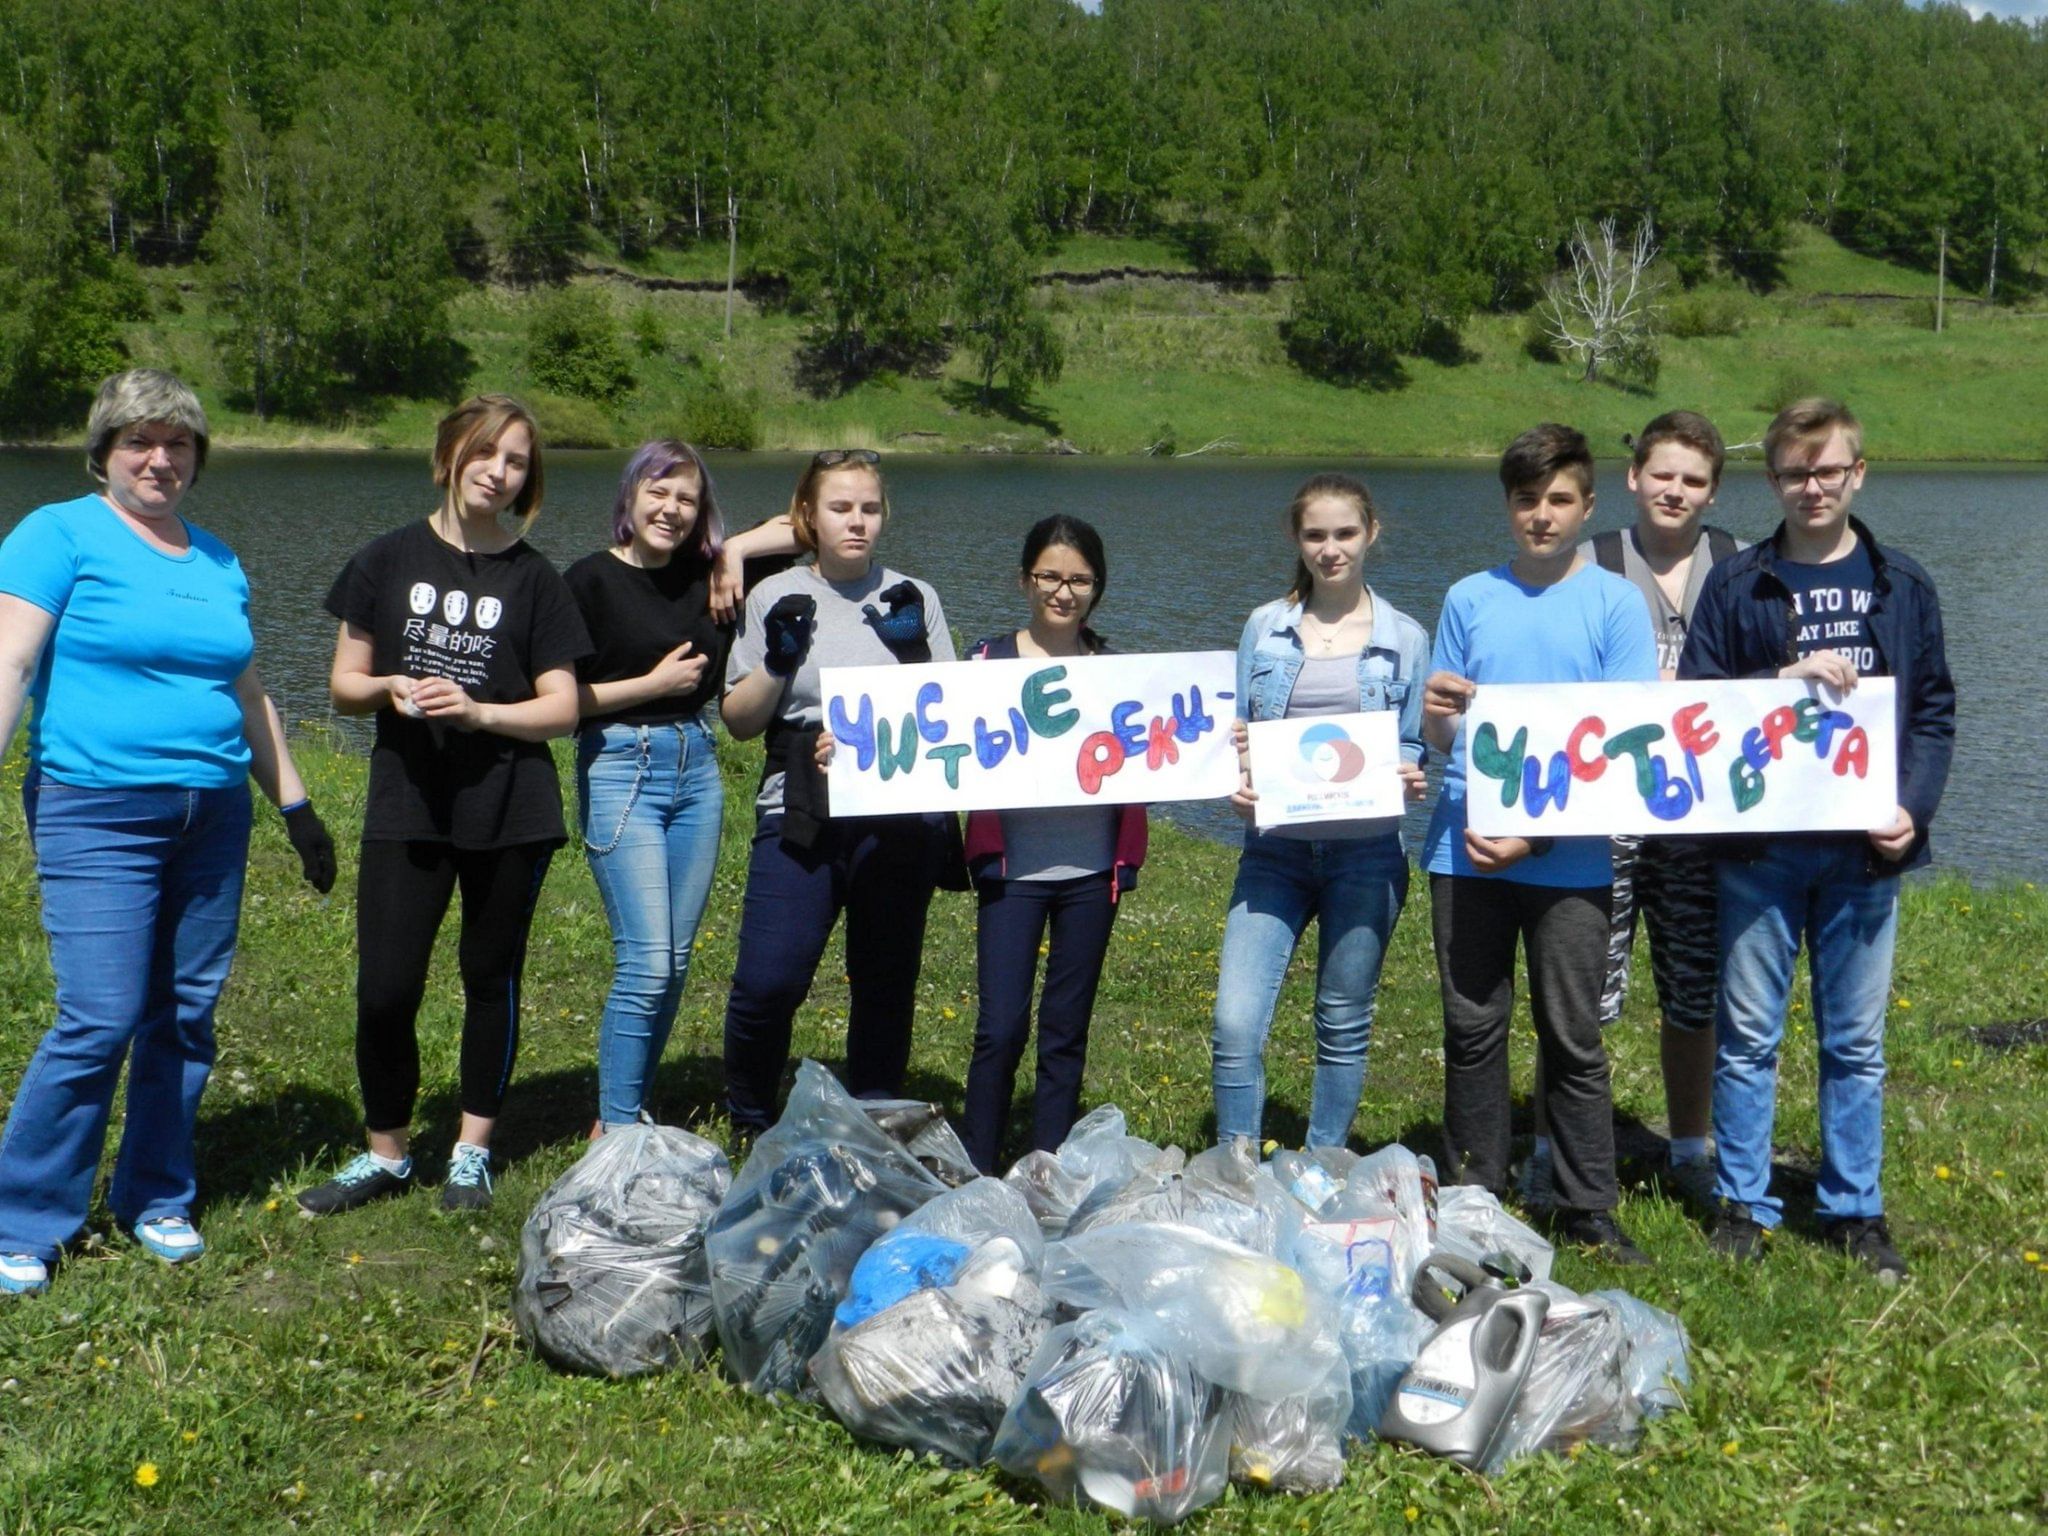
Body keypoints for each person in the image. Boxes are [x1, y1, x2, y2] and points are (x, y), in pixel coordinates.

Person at [0, 369, 335, 1295]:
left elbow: (249, 689)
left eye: (179, 443)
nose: (160, 459)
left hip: (213, 812)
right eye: (139, 442)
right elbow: (13, 659)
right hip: (96, 808)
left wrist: (297, 807)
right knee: (98, 1015)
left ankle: (154, 1194)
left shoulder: (218, 559)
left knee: (185, 1014)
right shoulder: (57, 534)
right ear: (103, 453)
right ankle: (25, 1215)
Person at [297, 395, 590, 1217]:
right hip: (408, 802)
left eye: (518, 461)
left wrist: (481, 714)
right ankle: (386, 1152)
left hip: (510, 808)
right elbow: (343, 686)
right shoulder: (384, 561)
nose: (499, 472)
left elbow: (562, 708)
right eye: (487, 452)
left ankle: (470, 1150)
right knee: (386, 988)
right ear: (450, 454)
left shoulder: (536, 579)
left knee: (487, 977)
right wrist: (390, 685)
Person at [1679, 399, 1952, 1282]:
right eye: (1795, 472)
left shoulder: (1902, 584)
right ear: (1773, 481)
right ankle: (1745, 1203)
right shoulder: (1736, 584)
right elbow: (1699, 708)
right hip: (1760, 850)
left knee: (1856, 1042)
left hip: (1865, 852)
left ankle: (1854, 1208)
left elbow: (1934, 711)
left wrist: (1913, 809)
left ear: (1857, 473)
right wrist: (1779, 680)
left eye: (1828, 470)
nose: (1813, 487)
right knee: (1749, 1034)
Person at [1422, 425, 1659, 1265]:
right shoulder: (1467, 598)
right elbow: (1441, 729)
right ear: (1508, 506)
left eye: (1560, 500)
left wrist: (1538, 832)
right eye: (1527, 500)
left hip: (1571, 854)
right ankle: (1476, 1194)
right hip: (1466, 846)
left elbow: (1626, 745)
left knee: (1572, 1034)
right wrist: (1438, 713)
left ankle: (1587, 1202)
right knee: (1472, 1026)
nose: (1542, 515)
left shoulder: (1615, 604)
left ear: (1588, 506)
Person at [1525, 411, 1741, 1212]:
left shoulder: (1742, 567)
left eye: (1692, 480)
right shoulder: (1588, 562)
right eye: (1663, 475)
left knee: (1692, 989)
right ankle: (1552, 1149)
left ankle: (1691, 1148)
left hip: (1697, 819)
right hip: (1600, 812)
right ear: (1633, 478)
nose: (1675, 491)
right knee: (1578, 992)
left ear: (1712, 491)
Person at [719, 450, 958, 1135]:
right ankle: (751, 1116)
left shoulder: (916, 596)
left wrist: (912, 658)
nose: (857, 522)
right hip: (798, 800)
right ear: (808, 516)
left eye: (870, 508)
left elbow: (952, 719)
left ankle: (873, 1118)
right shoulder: (774, 596)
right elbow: (738, 722)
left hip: (894, 810)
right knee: (769, 981)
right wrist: (777, 661)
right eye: (840, 507)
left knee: (884, 981)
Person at [565, 441, 796, 1134]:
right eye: (657, 492)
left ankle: (628, 1103)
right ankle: (616, 1131)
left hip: (696, 769)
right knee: (645, 960)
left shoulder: (711, 574)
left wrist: (731, 552)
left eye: (687, 499)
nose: (669, 509)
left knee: (674, 961)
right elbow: (554, 700)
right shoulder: (587, 581)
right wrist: (651, 686)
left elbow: (805, 524)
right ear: (628, 498)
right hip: (617, 763)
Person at [1210, 474, 1430, 1150]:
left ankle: (1324, 1162)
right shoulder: (1263, 627)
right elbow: (1238, 731)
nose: (1330, 549)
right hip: (1274, 852)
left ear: (1370, 534)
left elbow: (1415, 741)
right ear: (1296, 539)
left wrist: (1410, 776)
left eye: (1344, 534)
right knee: (1235, 1022)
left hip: (1367, 856)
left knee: (1342, 1020)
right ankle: (1235, 1166)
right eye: (1315, 535)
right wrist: (1237, 780)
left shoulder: (1407, 637)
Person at [959, 516, 1145, 1172]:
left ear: (1097, 587)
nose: (1063, 592)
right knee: (1000, 1027)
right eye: (1049, 577)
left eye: (1079, 580)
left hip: (1092, 873)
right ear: (1024, 579)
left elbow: (1160, 752)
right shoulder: (986, 662)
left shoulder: (1119, 672)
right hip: (1012, 871)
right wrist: (857, 749)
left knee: (1065, 1031)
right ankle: (978, 1162)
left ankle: (1049, 1165)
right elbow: (931, 743)